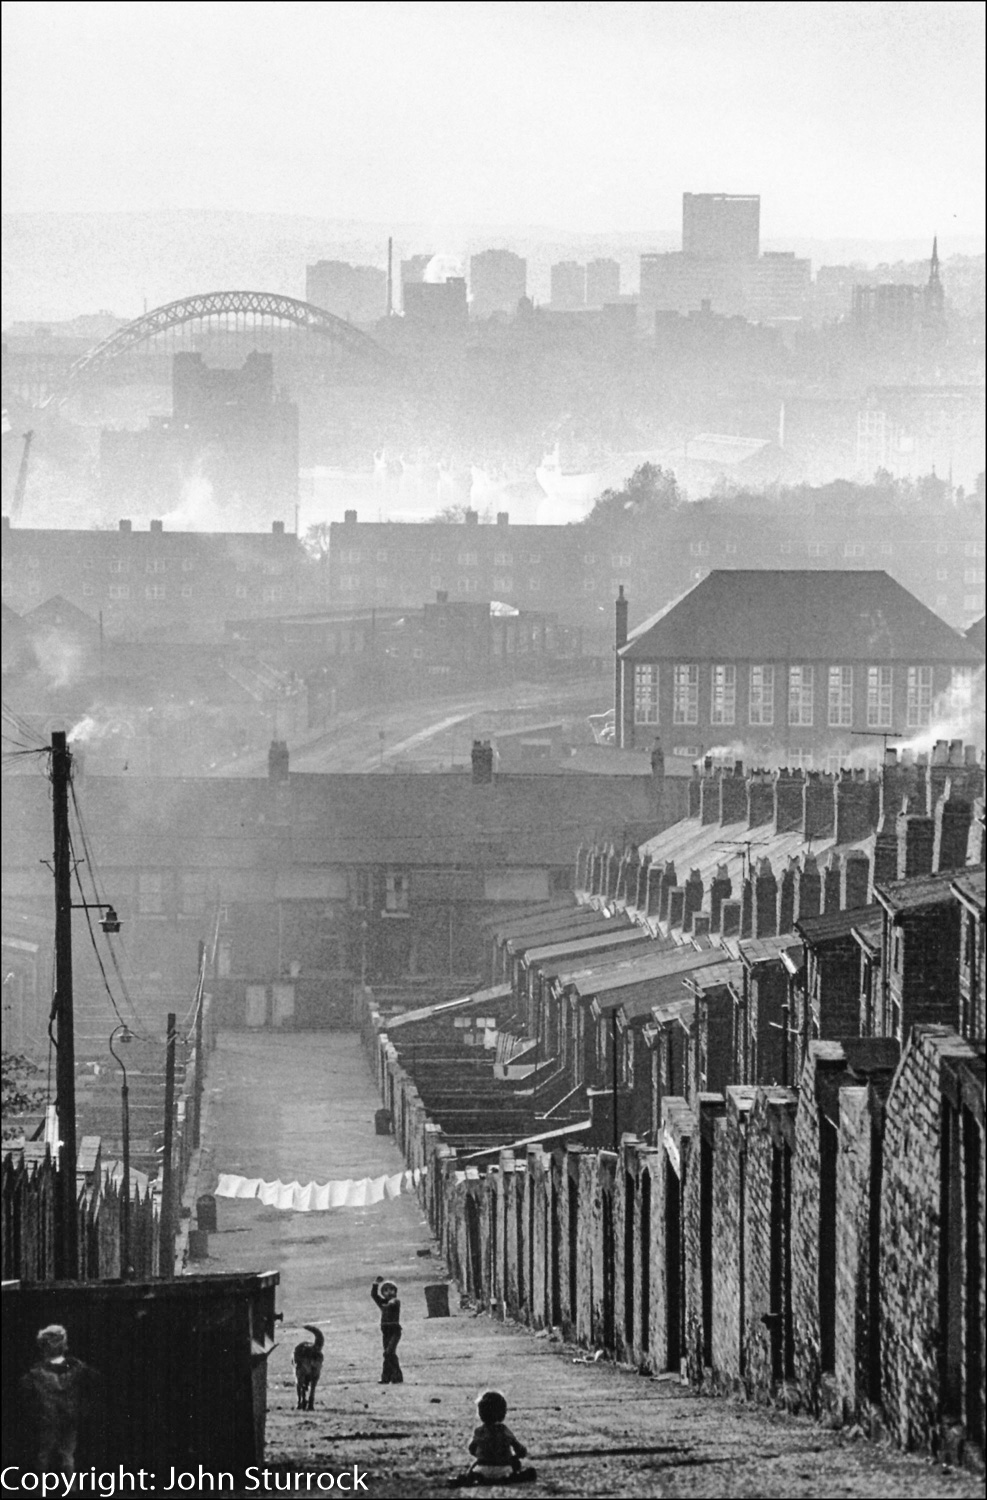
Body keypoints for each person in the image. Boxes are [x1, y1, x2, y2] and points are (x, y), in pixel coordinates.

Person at [19, 1325, 102, 1480]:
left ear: (42, 1347)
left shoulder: (36, 1372)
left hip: (46, 1417)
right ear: (64, 1345)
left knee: (44, 1453)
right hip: (70, 1416)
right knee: (67, 1454)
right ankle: (70, 1486)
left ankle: (40, 1487)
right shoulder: (77, 1367)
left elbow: (23, 1387)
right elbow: (96, 1378)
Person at [453, 1389, 536, 1486]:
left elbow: (472, 1449)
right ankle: (512, 1477)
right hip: (504, 1468)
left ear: (480, 1413)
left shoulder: (479, 1431)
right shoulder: (505, 1431)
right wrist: (516, 1456)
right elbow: (520, 1450)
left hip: (482, 1468)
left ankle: (470, 1478)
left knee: (474, 1467)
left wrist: (483, 1453)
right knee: (518, 1466)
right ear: (503, 1413)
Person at [370, 1276, 403, 1384]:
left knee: (389, 1353)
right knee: (388, 1354)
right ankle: (388, 1377)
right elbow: (374, 1295)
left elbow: (393, 1303)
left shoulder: (395, 1301)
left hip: (395, 1331)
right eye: (386, 1290)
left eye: (391, 1289)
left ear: (395, 1291)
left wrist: (388, 1304)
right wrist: (375, 1284)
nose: (389, 1292)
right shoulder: (383, 1302)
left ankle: (395, 1376)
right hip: (385, 1331)